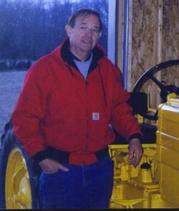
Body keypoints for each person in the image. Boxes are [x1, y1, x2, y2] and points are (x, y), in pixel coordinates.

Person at [11, 8, 143, 209]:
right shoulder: (44, 69)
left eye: (95, 30)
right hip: (61, 172)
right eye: (83, 27)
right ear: (68, 30)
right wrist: (41, 157)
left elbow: (118, 108)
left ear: (99, 35)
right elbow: (24, 118)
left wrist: (134, 136)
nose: (88, 35)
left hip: (100, 170)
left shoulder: (107, 70)